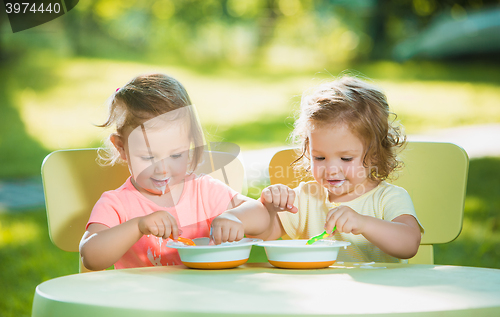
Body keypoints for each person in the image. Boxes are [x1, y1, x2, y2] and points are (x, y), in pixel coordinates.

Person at [79, 73, 265, 270]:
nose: (162, 169)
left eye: (176, 155)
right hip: (140, 299)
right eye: (148, 157)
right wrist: (137, 226)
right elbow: (91, 257)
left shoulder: (204, 192)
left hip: (204, 295)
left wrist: (235, 217)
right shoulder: (116, 204)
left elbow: (262, 217)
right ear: (122, 148)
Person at [256, 75, 423, 263]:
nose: (331, 170)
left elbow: (409, 243)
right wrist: (267, 208)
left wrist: (364, 223)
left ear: (375, 154)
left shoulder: (388, 198)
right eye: (319, 157)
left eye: (346, 158)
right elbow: (265, 231)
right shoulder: (307, 198)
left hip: (377, 291)